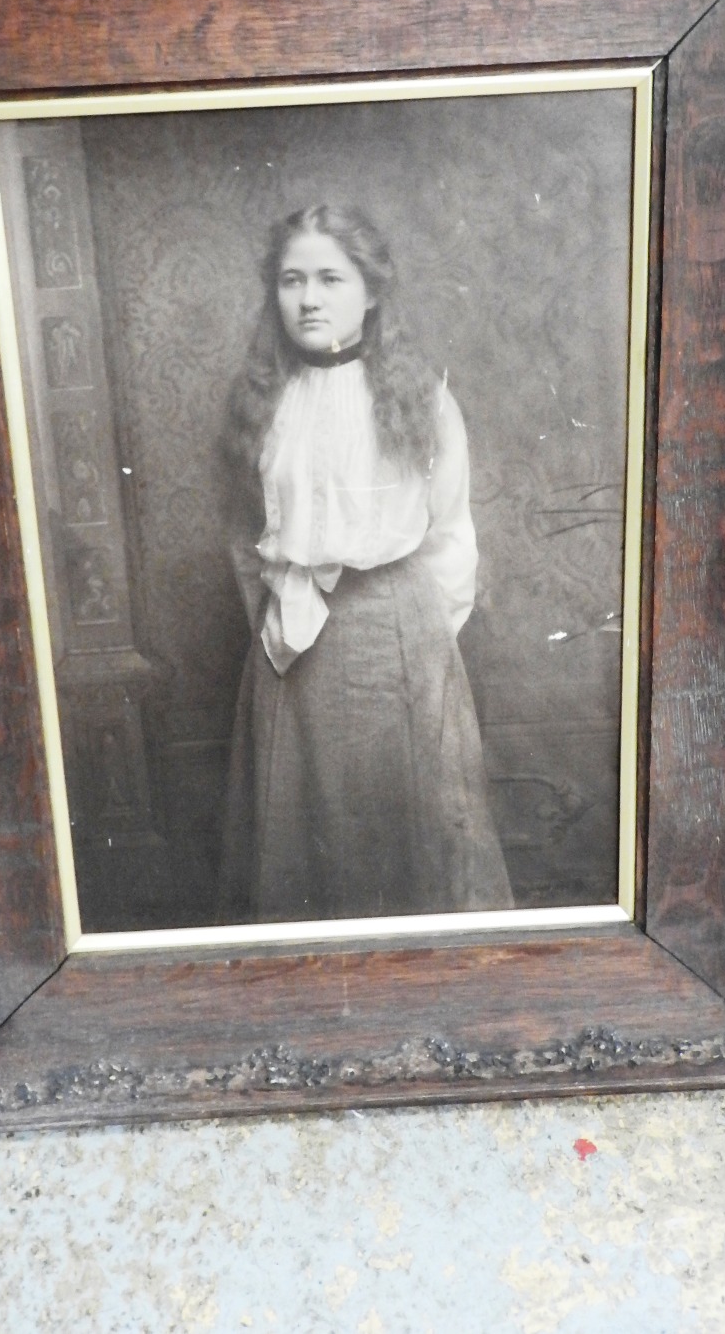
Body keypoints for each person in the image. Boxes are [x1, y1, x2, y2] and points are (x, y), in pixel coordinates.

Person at [217, 202, 514, 923]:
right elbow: (243, 531)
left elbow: (449, 533)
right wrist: (278, 622)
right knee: (301, 832)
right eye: (292, 280)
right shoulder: (264, 401)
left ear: (372, 291)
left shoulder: (421, 398)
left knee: (410, 827)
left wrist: (420, 642)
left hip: (399, 637)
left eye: (329, 278)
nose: (309, 298)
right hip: (294, 643)